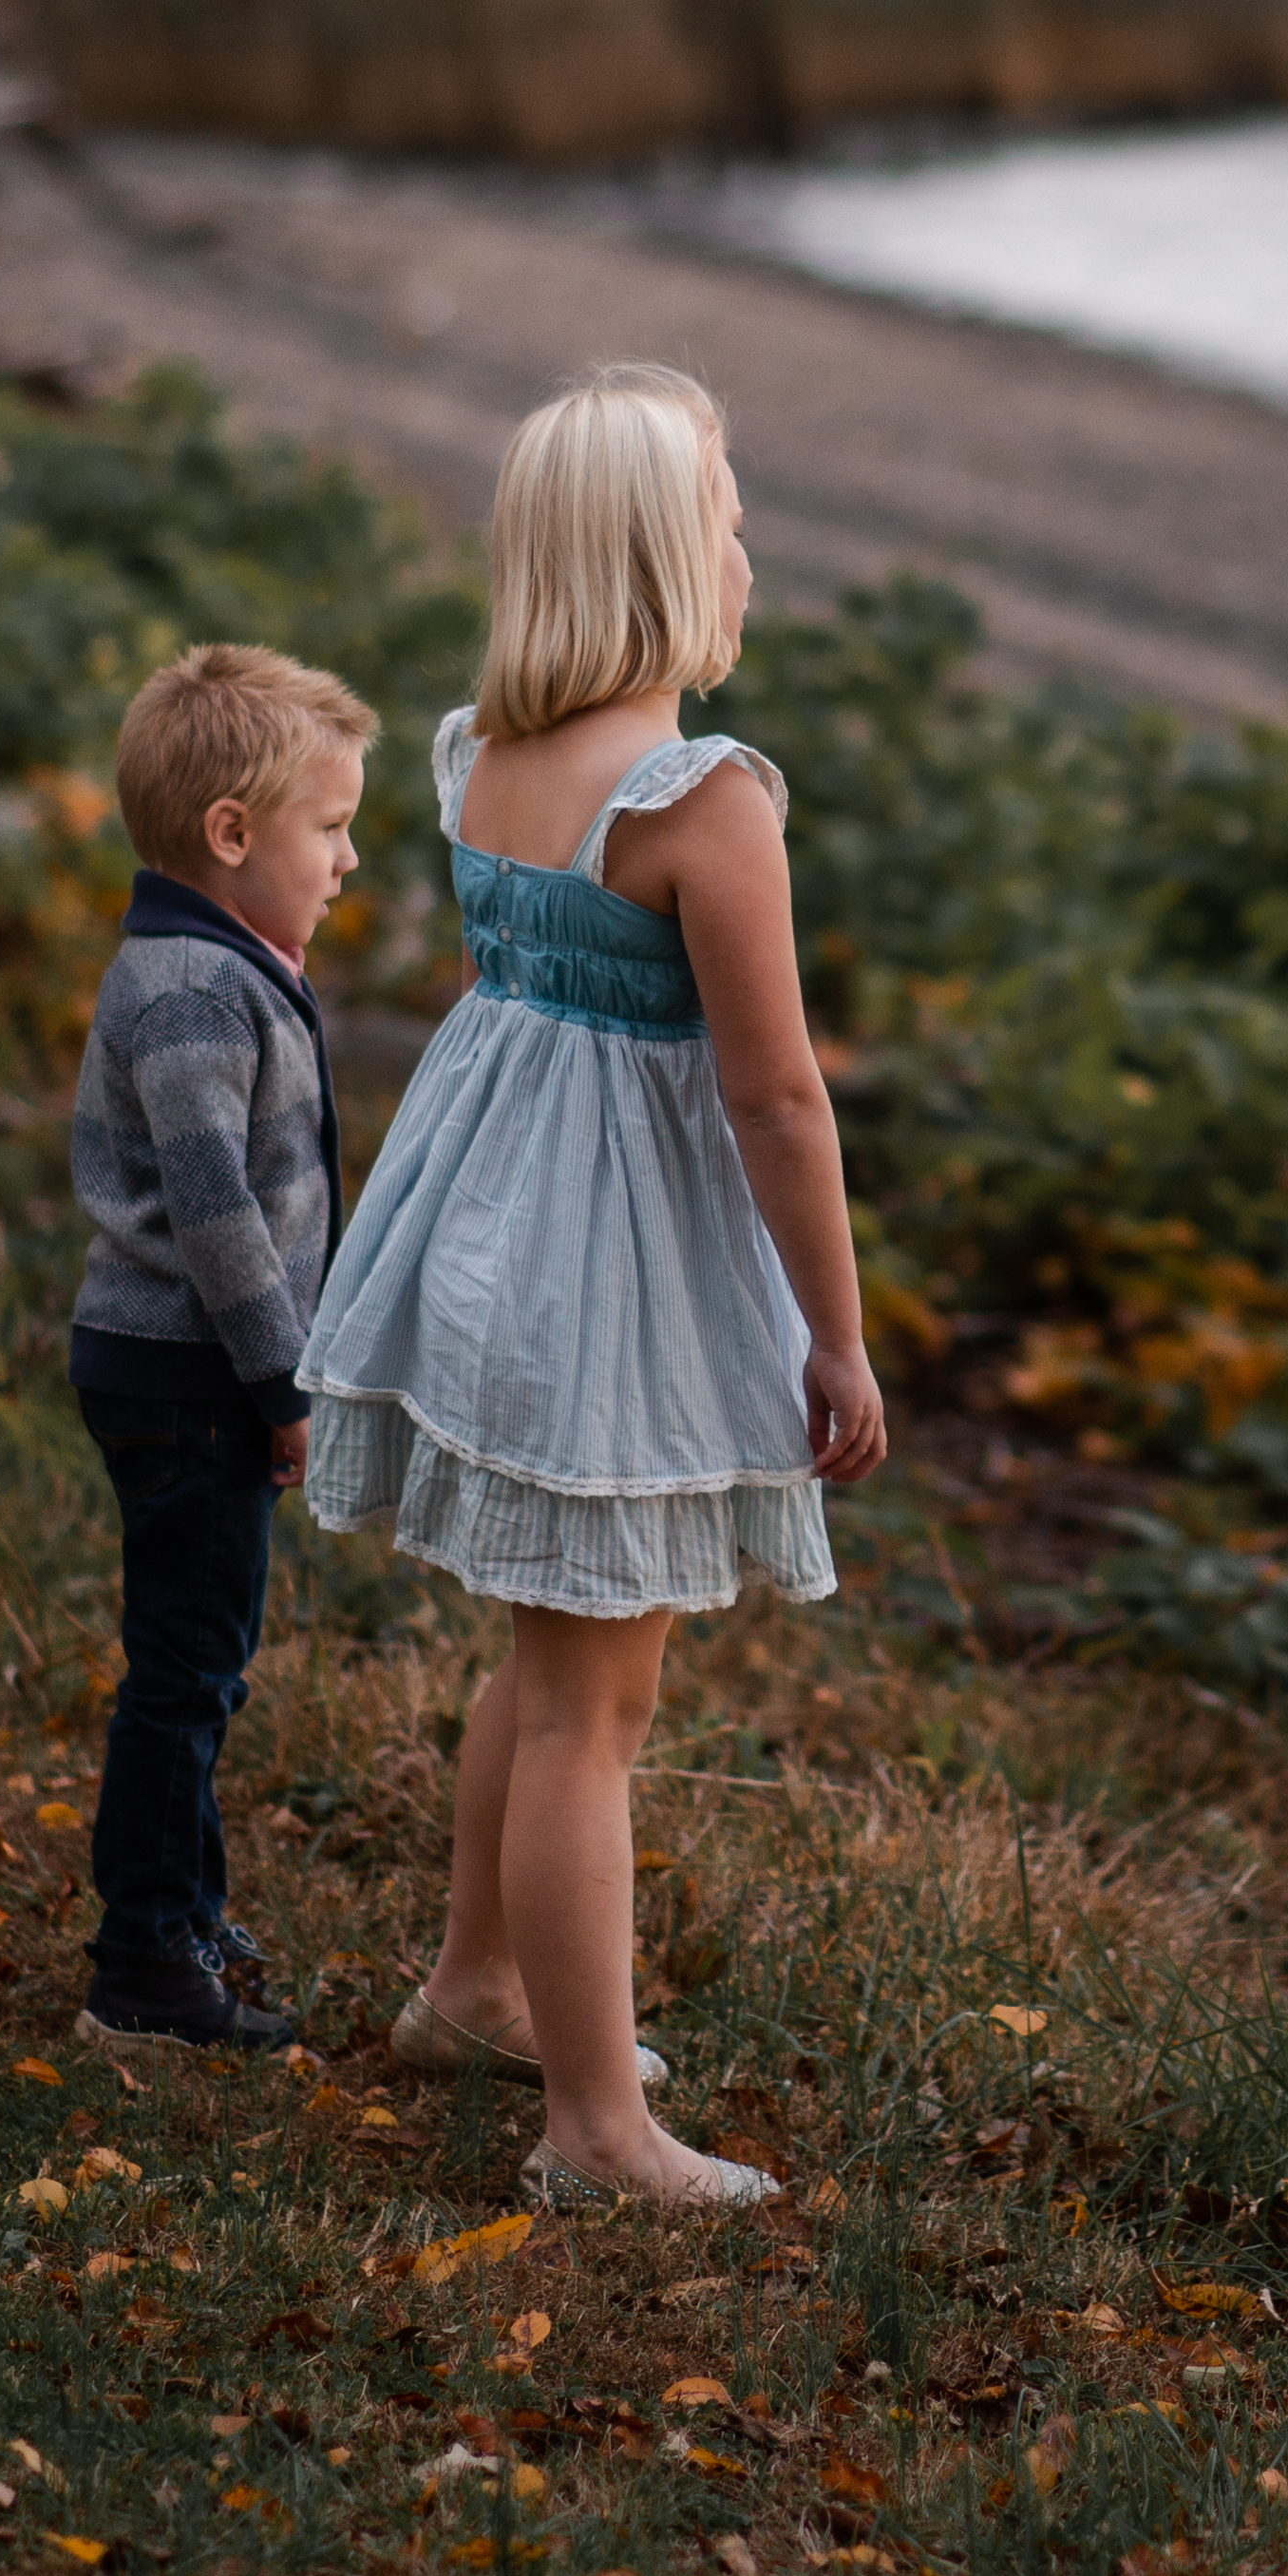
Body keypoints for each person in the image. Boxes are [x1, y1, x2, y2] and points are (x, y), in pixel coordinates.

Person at [301, 361, 890, 2210]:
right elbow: (775, 1090)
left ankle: (476, 1984)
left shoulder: (474, 749)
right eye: (725, 509)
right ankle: (591, 2129)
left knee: (541, 1655)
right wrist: (835, 1335)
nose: (744, 537)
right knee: (591, 1713)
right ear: (658, 559)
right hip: (601, 1278)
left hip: (486, 1235)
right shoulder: (700, 801)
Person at [60, 639, 377, 2053]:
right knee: (185, 1671)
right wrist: (285, 1384)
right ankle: (142, 1964)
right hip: (190, 1377)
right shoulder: (194, 992)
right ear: (231, 834)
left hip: (192, 1377)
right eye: (331, 827)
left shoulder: (221, 965)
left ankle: (185, 1915)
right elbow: (216, 1217)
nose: (350, 859)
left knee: (205, 1659)